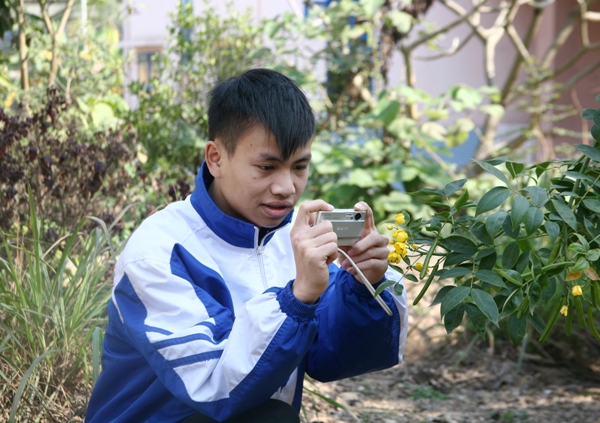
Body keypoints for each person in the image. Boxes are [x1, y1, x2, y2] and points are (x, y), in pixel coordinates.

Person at [85, 68, 408, 423]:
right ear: (216, 159)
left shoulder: (296, 239)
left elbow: (333, 357)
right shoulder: (160, 251)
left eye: (299, 167)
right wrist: (298, 299)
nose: (286, 187)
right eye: (266, 167)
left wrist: (366, 285)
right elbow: (214, 387)